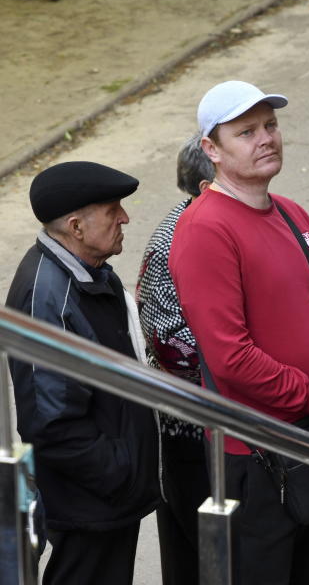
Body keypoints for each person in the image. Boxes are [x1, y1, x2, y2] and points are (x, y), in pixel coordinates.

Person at [169, 80, 309, 585]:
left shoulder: (291, 213)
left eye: (271, 126)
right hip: (256, 456)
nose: (266, 138)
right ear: (211, 149)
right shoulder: (204, 229)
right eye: (246, 131)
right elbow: (230, 356)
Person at [6, 161, 160, 585]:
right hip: (91, 503)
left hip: (107, 499)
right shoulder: (47, 297)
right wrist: (121, 474)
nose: (125, 217)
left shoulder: (90, 273)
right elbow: (51, 423)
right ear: (76, 226)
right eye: (113, 210)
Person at [136, 134, 215, 585]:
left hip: (224, 425)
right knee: (195, 551)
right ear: (205, 189)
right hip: (188, 428)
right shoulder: (171, 242)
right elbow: (170, 344)